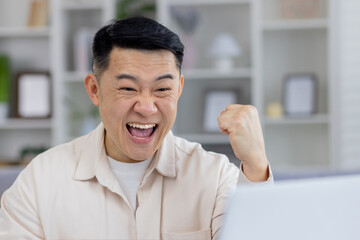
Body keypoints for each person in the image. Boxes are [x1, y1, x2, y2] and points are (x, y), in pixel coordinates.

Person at [0, 17, 273, 239]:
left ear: (178, 89)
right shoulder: (41, 180)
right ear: (94, 90)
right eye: (128, 88)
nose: (146, 106)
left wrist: (256, 164)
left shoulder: (213, 178)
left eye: (162, 89)